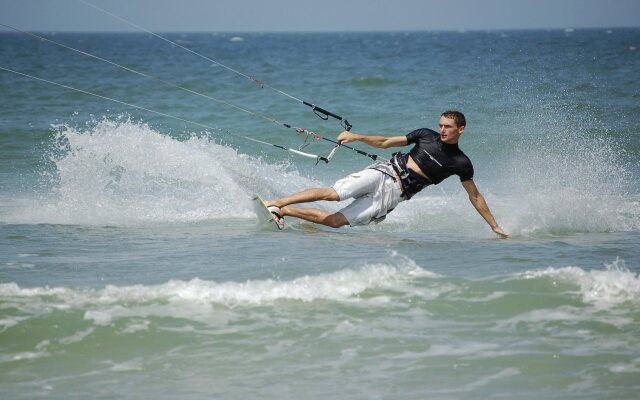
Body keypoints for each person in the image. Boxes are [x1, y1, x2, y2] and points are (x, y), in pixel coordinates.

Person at [266, 110, 510, 238]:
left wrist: (494, 225)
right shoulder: (426, 135)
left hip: (394, 195)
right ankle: (276, 202)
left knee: (335, 222)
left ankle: (284, 211)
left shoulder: (461, 162)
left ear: (461, 129)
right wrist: (357, 136)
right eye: (441, 125)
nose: (442, 130)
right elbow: (385, 142)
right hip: (384, 172)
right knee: (333, 194)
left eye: (448, 126)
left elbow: (475, 196)